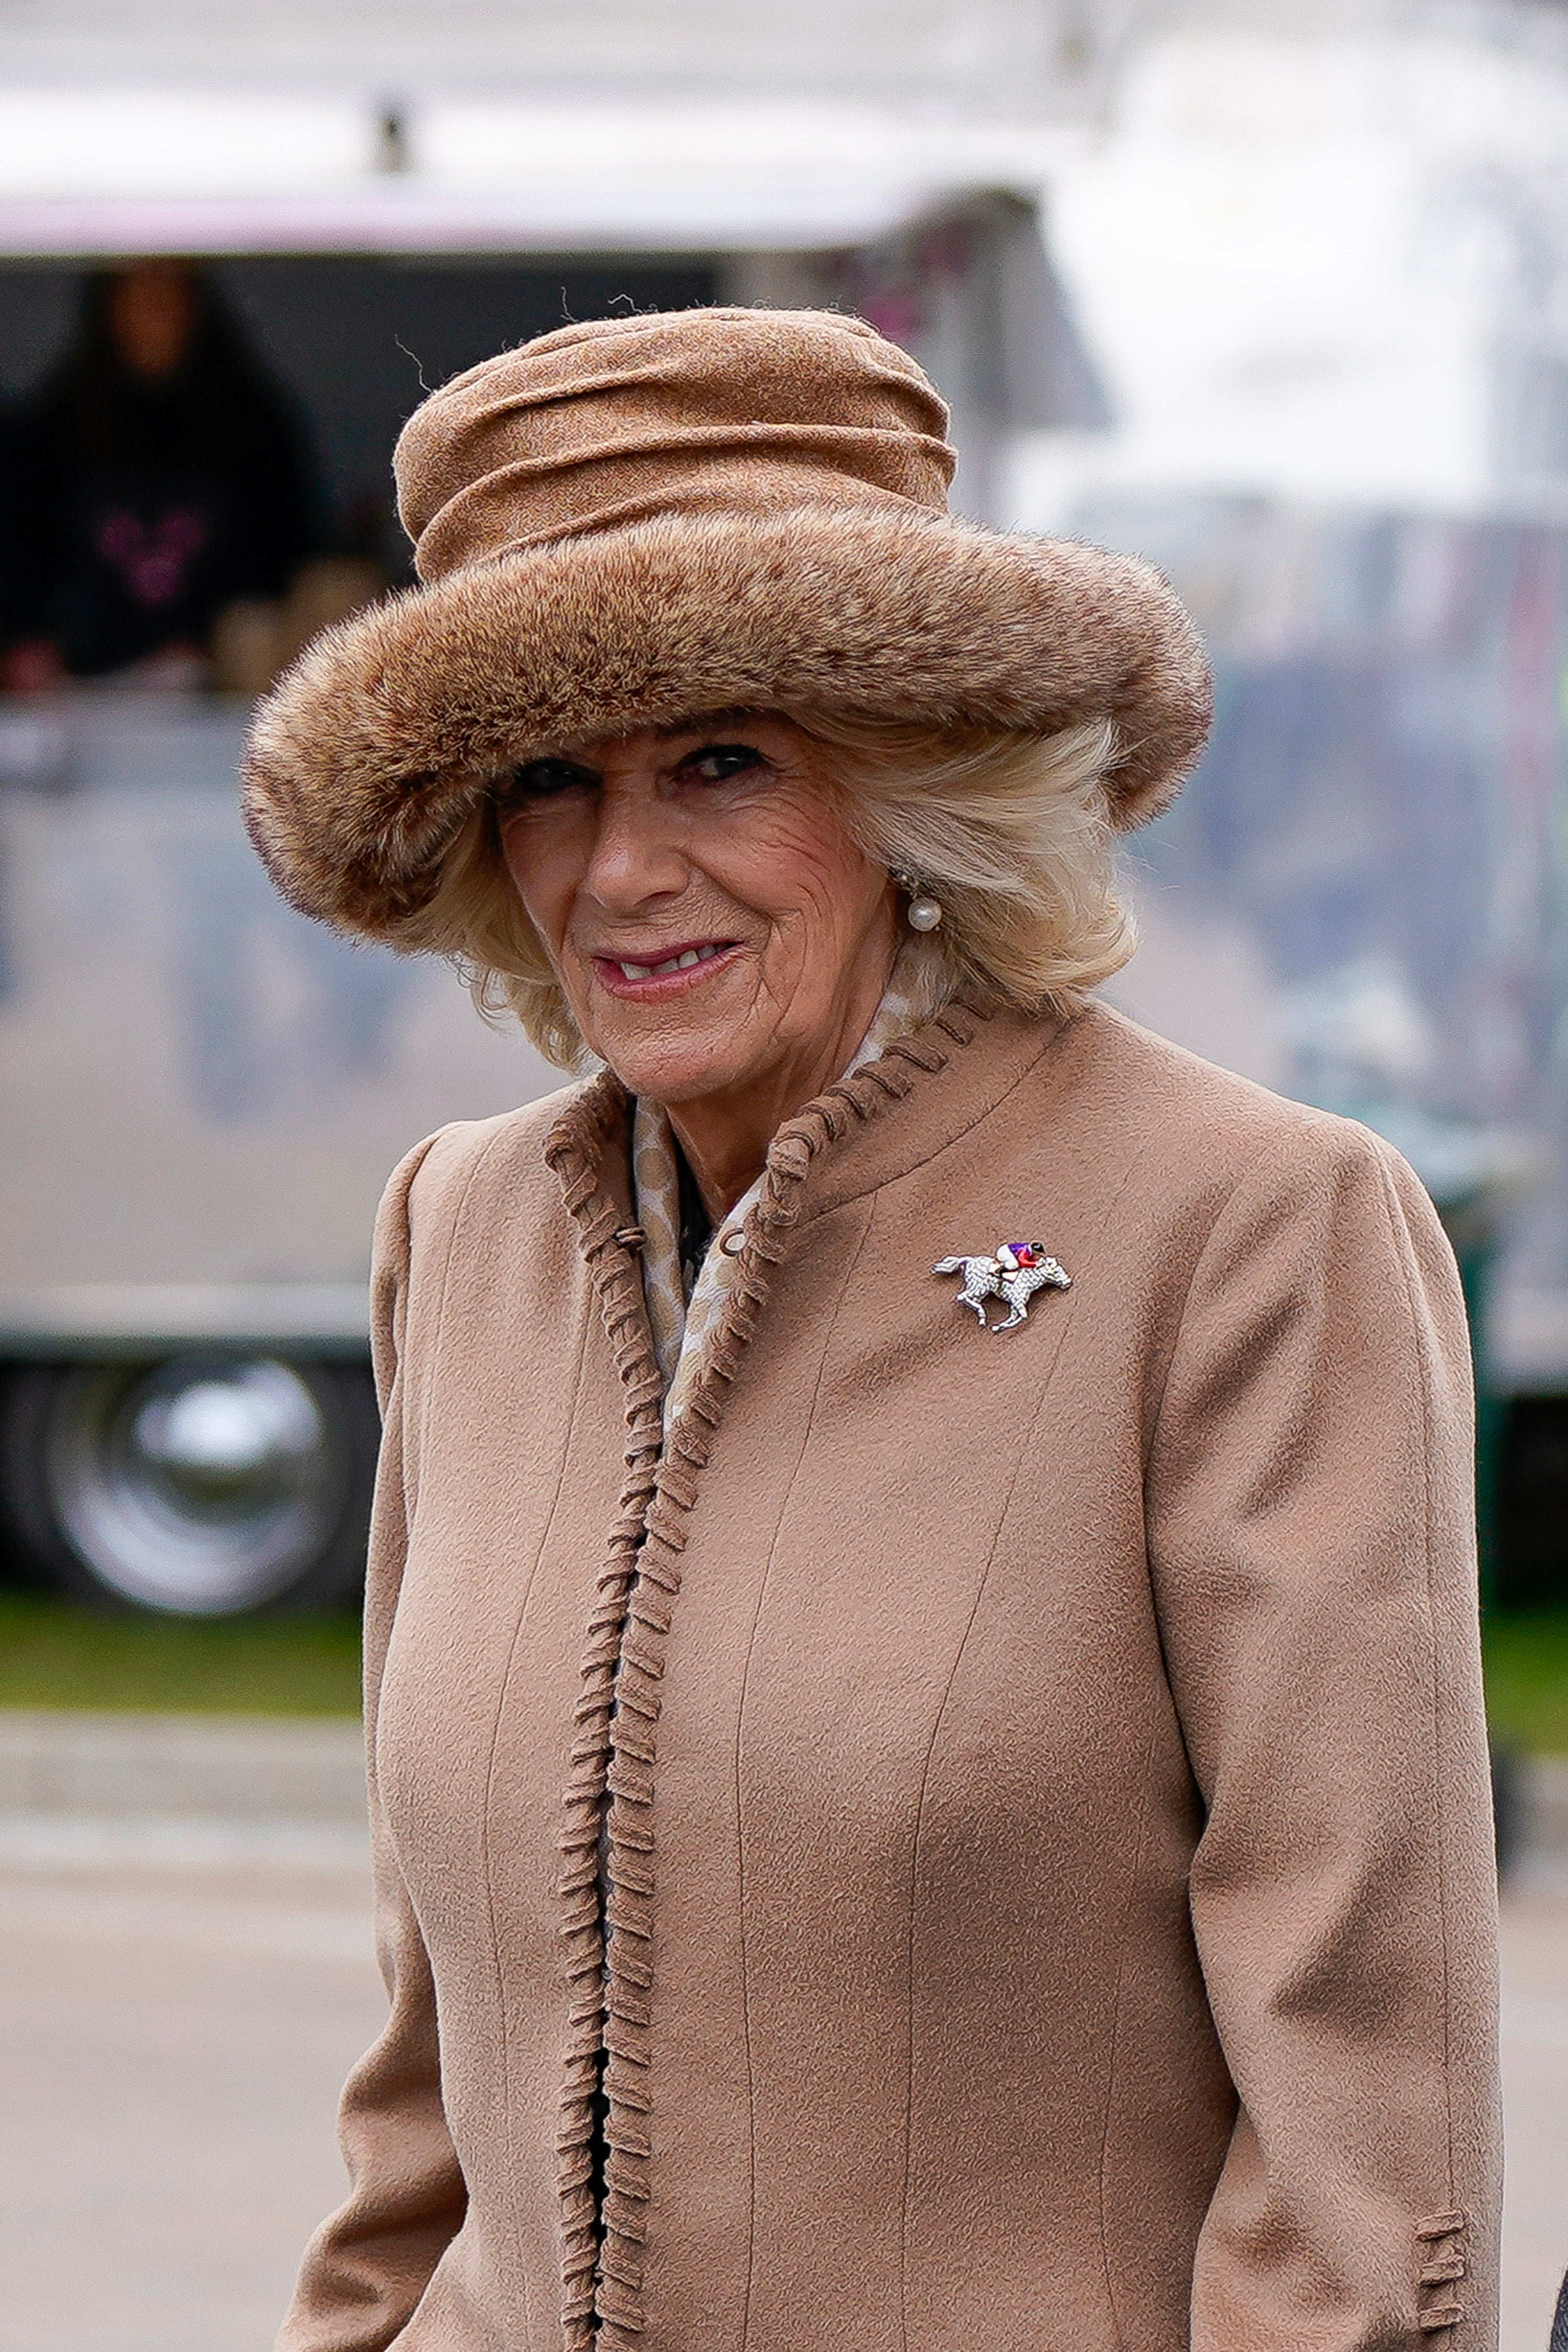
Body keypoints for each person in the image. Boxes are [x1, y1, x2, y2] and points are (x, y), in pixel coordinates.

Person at [243, 308, 1502, 2352]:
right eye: (552, 781)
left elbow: (1366, 2099)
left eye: (723, 761)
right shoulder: (460, 1230)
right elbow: (425, 2048)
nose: (624, 869)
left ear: (925, 783)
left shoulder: (1250, 1231)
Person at [0, 259, 320, 690]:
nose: (154, 311)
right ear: (108, 305)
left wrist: (217, 644)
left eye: (169, 294)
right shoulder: (55, 427)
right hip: (83, 689)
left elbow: (287, 561)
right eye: (138, 293)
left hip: (221, 690)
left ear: (196, 304)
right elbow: (23, 560)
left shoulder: (250, 426)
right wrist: (26, 640)